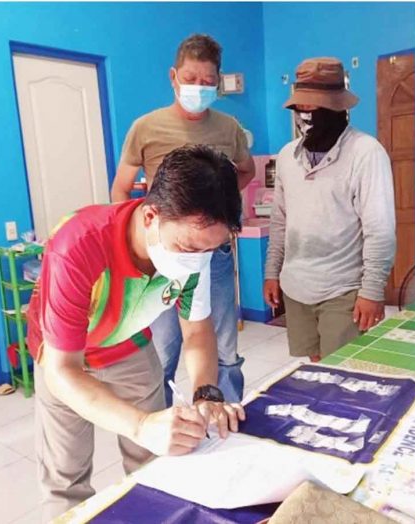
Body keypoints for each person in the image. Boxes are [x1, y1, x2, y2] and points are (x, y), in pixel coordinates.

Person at [29, 145, 246, 521]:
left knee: (158, 459)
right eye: (188, 247)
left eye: (211, 249)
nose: (196, 261)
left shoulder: (196, 250)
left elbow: (196, 332)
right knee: (66, 477)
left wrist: (206, 394)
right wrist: (141, 424)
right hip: (64, 359)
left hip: (130, 347)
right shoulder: (78, 245)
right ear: (151, 215)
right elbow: (63, 371)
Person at [111, 34, 255, 405]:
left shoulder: (228, 128)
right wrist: (141, 247)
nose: (199, 87)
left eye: (208, 82)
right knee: (163, 348)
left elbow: (246, 170)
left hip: (214, 257)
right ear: (173, 76)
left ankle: (225, 415)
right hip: (160, 260)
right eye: (191, 79)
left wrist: (216, 212)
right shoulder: (146, 127)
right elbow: (120, 192)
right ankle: (158, 423)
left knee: (221, 345)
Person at [264, 57, 396, 362]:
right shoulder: (287, 156)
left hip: (344, 289)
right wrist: (272, 272)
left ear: (338, 106)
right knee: (315, 365)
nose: (307, 114)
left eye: (316, 106)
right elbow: (279, 221)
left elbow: (380, 230)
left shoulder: (366, 153)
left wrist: (372, 291)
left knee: (345, 370)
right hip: (296, 286)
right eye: (302, 106)